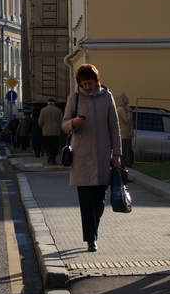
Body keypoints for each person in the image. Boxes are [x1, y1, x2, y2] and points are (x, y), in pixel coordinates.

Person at [62, 64, 121, 252]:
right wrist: (74, 123)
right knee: (86, 202)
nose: (88, 87)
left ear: (97, 81)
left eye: (91, 83)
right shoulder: (75, 98)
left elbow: (114, 127)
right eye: (84, 83)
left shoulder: (107, 97)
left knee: (99, 201)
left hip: (103, 156)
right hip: (81, 158)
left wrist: (117, 154)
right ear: (79, 83)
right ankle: (91, 239)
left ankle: (93, 231)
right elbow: (64, 125)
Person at [38, 98, 63, 165]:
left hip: (46, 132)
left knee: (48, 144)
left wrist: (43, 127)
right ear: (54, 103)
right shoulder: (58, 110)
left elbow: (40, 122)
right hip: (56, 132)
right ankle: (54, 160)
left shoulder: (43, 110)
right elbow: (61, 121)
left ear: (47, 103)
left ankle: (49, 154)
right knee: (55, 145)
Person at [115, 93, 133, 169]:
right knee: (126, 154)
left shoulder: (121, 109)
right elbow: (127, 120)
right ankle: (124, 169)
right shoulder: (121, 109)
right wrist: (129, 112)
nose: (127, 98)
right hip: (124, 135)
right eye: (125, 97)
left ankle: (125, 168)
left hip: (126, 134)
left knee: (127, 152)